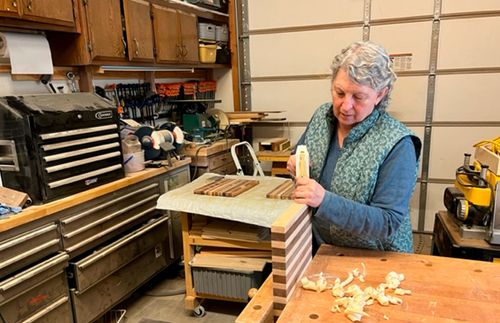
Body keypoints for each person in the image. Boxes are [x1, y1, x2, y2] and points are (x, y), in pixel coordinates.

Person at [287, 41, 421, 253]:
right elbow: (301, 152)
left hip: (378, 259)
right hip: (323, 251)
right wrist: (295, 162)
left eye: (358, 97)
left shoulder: (398, 144)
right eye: (339, 93)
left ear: (380, 95)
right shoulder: (322, 117)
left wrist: (324, 201)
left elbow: (387, 222)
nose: (345, 106)